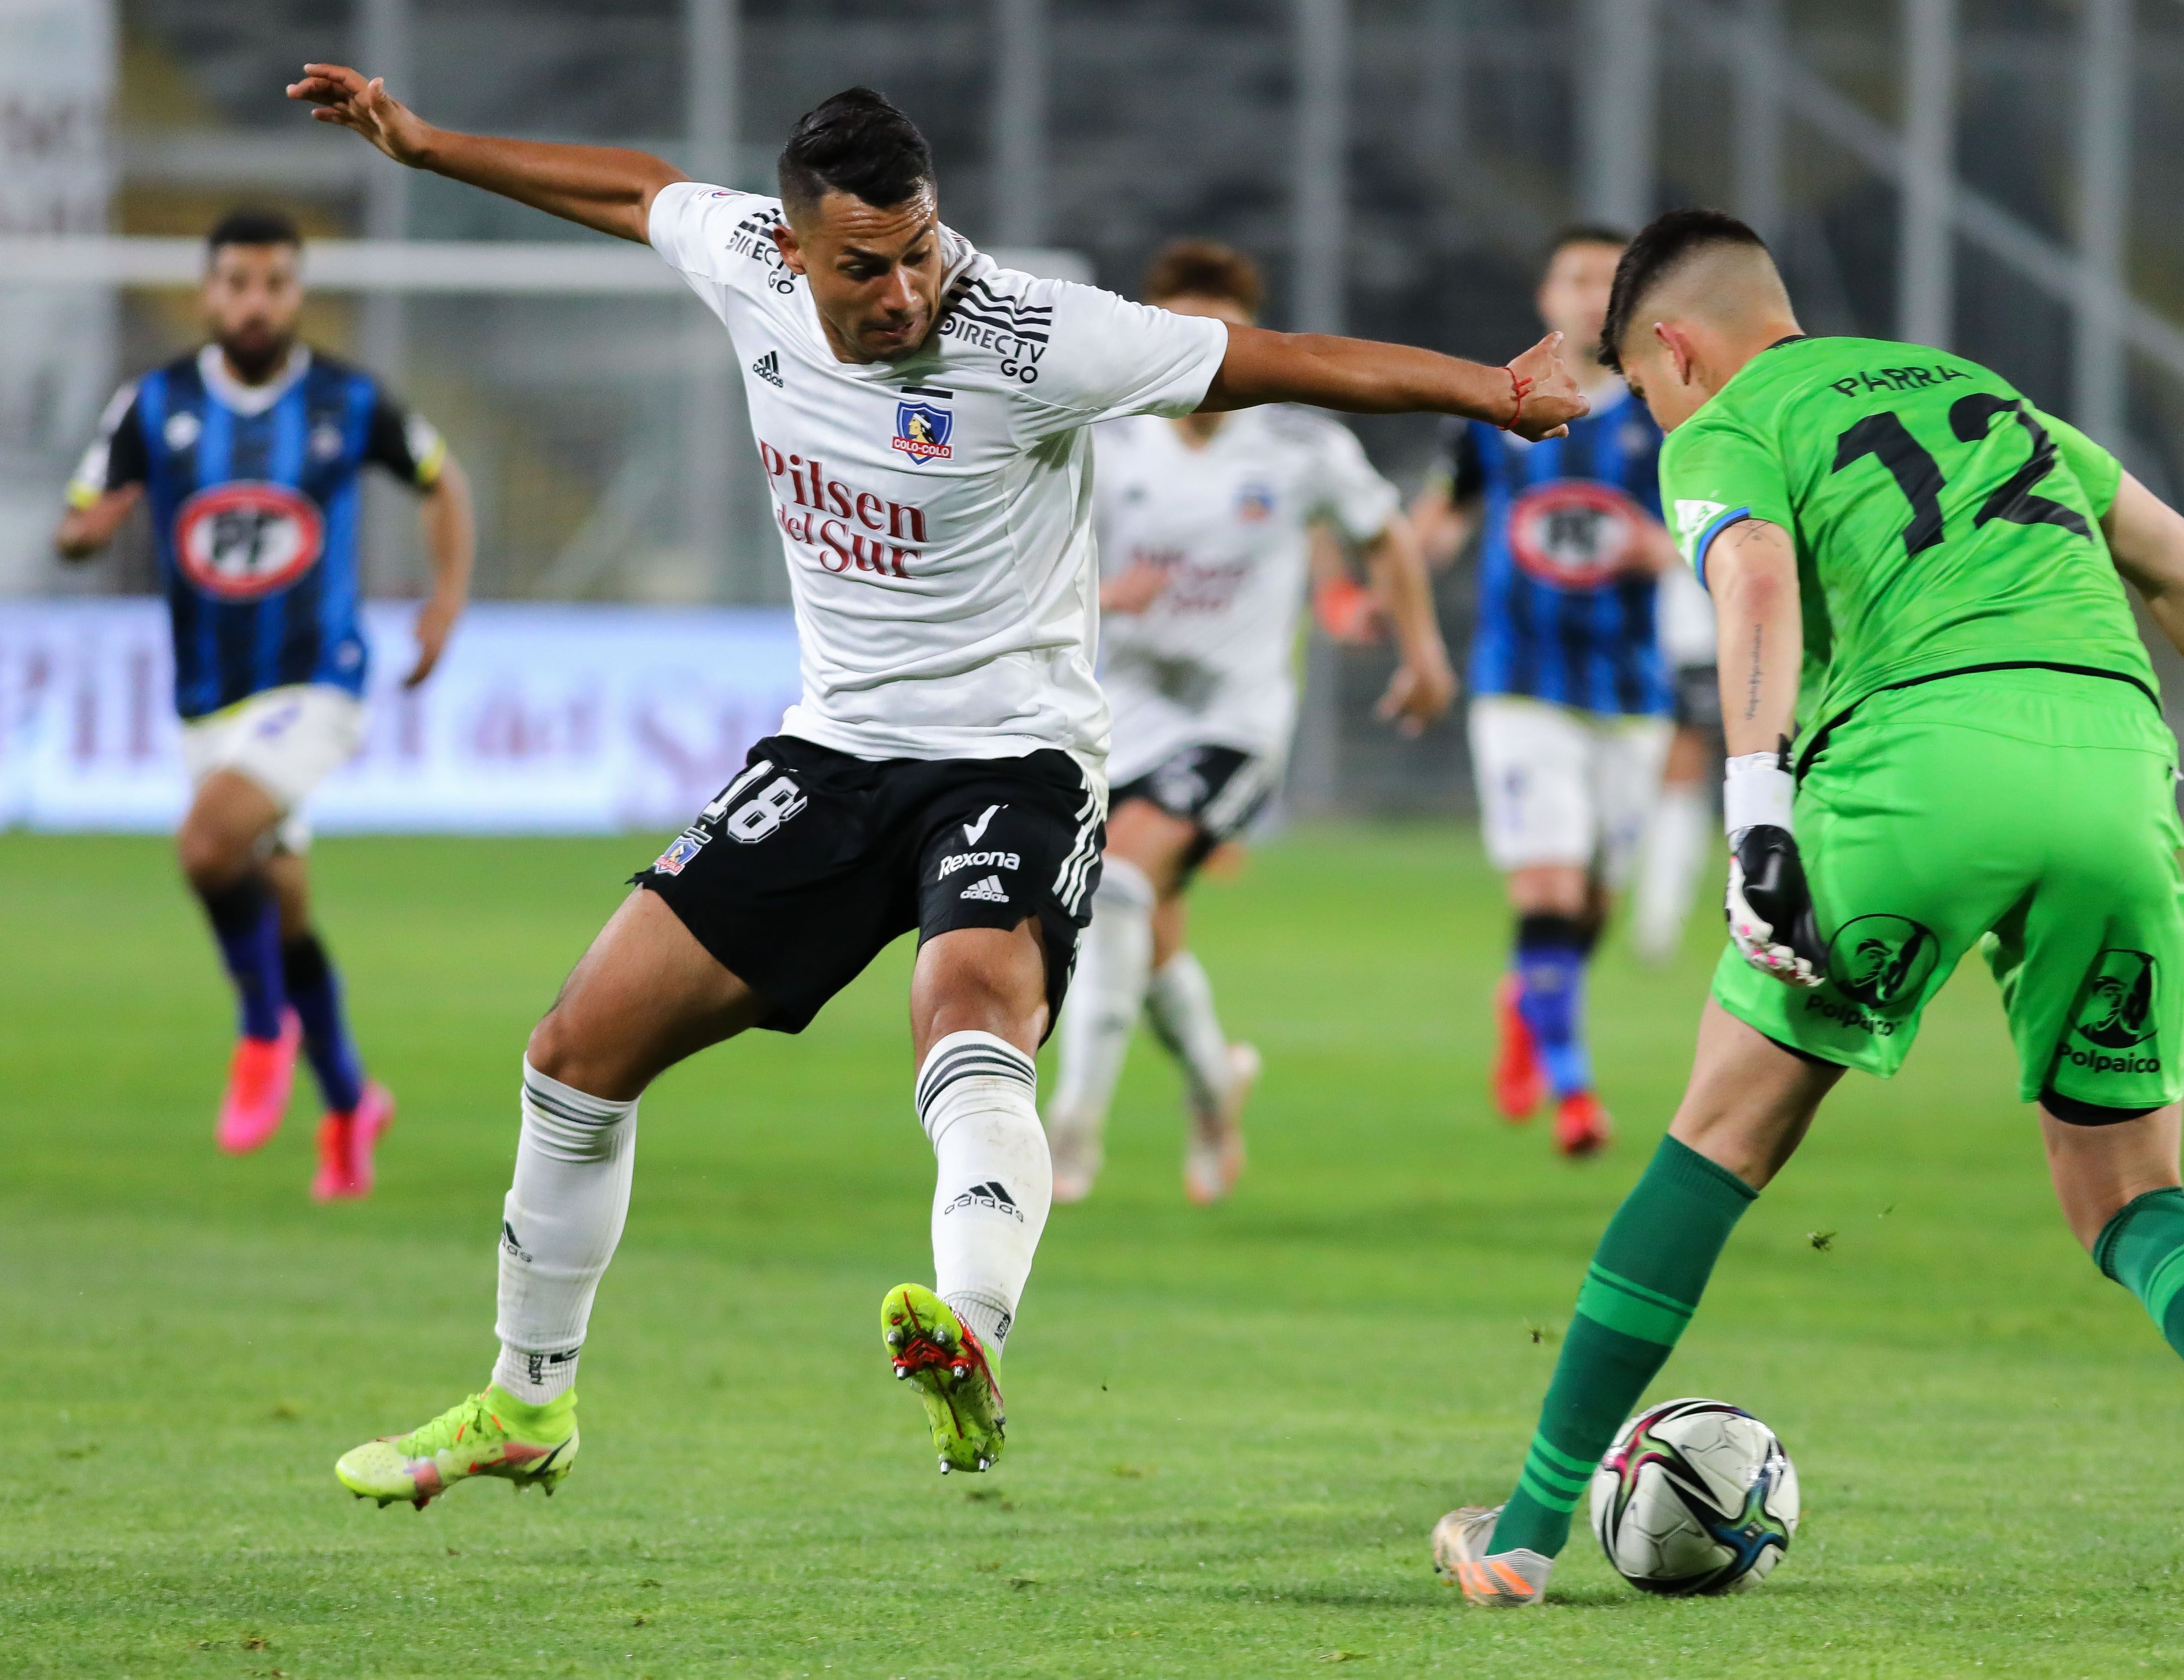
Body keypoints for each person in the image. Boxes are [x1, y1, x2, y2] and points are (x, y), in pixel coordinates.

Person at [281, 64, 1583, 1504]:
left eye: (920, 250)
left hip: (1015, 755)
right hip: (833, 749)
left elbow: (1277, 358)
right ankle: (527, 1405)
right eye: (866, 266)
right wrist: (423, 143)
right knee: (576, 1052)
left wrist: (1491, 394)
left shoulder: (1034, 332)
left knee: (962, 1004)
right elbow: (633, 188)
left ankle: (968, 1329)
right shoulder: (746, 267)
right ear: (793, 252)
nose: (906, 289)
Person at [1432, 210, 2184, 1616]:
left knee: (1716, 1139)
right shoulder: (1971, 390)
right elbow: (2175, 553)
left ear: (1675, 352)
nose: (1654, 411)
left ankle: (1520, 1535)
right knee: (2132, 1188)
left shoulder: (1726, 423)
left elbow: (1754, 579)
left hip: (1916, 769)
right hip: (2120, 769)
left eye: (1644, 389)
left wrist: (1757, 814)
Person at [53, 206, 474, 1203]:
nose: (254, 302)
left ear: (295, 291)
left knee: (206, 846)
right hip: (207, 703)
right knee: (282, 909)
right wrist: (88, 530)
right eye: (236, 283)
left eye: (274, 284)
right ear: (209, 292)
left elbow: (441, 478)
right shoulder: (151, 404)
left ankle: (258, 1031)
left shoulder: (344, 398)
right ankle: (349, 1100)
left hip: (317, 679)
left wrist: (446, 599)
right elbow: (75, 522)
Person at [1044, 240, 1455, 1206]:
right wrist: (1113, 595)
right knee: (1146, 928)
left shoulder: (1301, 447)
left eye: (1220, 337)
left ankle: (1073, 1133)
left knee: (1121, 890)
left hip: (1234, 721)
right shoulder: (1105, 441)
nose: (1202, 356)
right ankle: (1214, 1083)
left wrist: (1423, 653)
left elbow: (1386, 532)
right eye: (1181, 333)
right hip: (1119, 718)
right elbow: (1032, 563)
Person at [1412, 226, 1675, 1160]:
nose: (1589, 293)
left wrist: (1669, 549)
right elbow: (1438, 521)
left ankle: (1528, 999)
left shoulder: (1668, 411)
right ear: (1546, 295)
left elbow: (1716, 529)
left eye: (1609, 280)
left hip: (1630, 692)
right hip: (1518, 686)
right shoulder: (1500, 406)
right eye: (1574, 276)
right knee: (1551, 885)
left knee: (1593, 903)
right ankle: (1576, 1091)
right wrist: (1388, 594)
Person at [1630, 550, 1720, 965]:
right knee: (1663, 778)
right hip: (1650, 637)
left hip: (1691, 636)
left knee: (1680, 779)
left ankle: (1660, 920)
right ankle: (1656, 918)